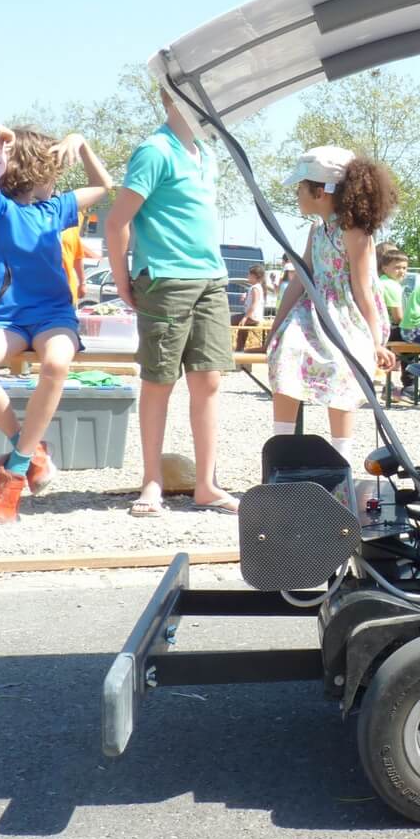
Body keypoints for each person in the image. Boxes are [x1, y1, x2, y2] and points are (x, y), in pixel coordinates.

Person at [0, 125, 113, 522]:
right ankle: (29, 449)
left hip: (53, 315)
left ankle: (16, 468)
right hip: (7, 317)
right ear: (36, 169)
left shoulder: (55, 209)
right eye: (55, 169)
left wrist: (82, 143)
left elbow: (104, 185)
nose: (59, 177)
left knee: (57, 363)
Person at [105, 86, 239, 517]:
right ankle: (151, 483)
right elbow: (116, 221)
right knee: (160, 381)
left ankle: (206, 484)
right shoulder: (154, 150)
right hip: (165, 277)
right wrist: (123, 277)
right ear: (174, 99)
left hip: (211, 278)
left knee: (209, 381)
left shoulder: (206, 154)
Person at [266, 146, 397, 465]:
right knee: (286, 357)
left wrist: (376, 340)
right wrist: (276, 326)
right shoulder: (316, 230)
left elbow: (362, 287)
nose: (297, 192)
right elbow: (301, 279)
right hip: (312, 311)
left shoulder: (354, 232)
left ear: (322, 191)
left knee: (342, 369)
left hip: (345, 314)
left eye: (301, 186)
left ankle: (341, 460)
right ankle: (282, 452)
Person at [233, 262, 266, 352]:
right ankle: (240, 349)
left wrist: (245, 317)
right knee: (242, 331)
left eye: (249, 274)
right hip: (253, 316)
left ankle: (238, 349)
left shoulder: (255, 288)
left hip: (252, 317)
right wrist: (245, 298)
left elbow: (254, 304)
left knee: (229, 320)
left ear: (255, 276)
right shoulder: (256, 287)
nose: (247, 276)